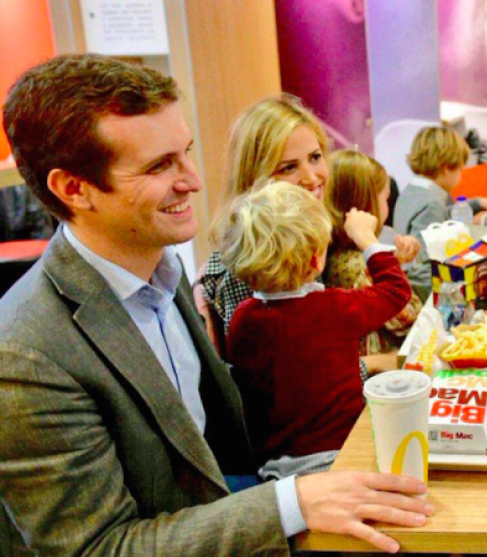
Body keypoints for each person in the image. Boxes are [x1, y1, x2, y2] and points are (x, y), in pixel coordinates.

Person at [0, 53, 430, 555]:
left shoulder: (165, 271)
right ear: (74, 189)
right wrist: (290, 502)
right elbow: (100, 548)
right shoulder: (26, 354)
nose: (194, 180)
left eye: (185, 153)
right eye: (160, 165)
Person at [195, 95, 420, 348]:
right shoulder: (248, 264)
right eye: (289, 168)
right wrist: (380, 363)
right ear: (255, 178)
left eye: (315, 157)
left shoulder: (314, 233)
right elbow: (288, 364)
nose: (312, 178)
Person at [221, 181, 412, 478]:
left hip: (275, 468)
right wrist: (367, 239)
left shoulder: (243, 318)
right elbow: (396, 291)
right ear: (316, 258)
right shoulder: (334, 307)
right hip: (343, 454)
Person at [324, 150, 423, 371]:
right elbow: (408, 317)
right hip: (380, 372)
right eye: (385, 198)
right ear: (366, 205)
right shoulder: (357, 265)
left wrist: (394, 261)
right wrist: (389, 264)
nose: (388, 205)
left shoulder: (336, 256)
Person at [393, 125, 487, 301]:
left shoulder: (411, 191)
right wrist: (452, 299)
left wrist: (476, 204)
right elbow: (423, 271)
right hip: (424, 299)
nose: (461, 175)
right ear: (446, 168)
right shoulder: (432, 204)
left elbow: (438, 217)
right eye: (460, 169)